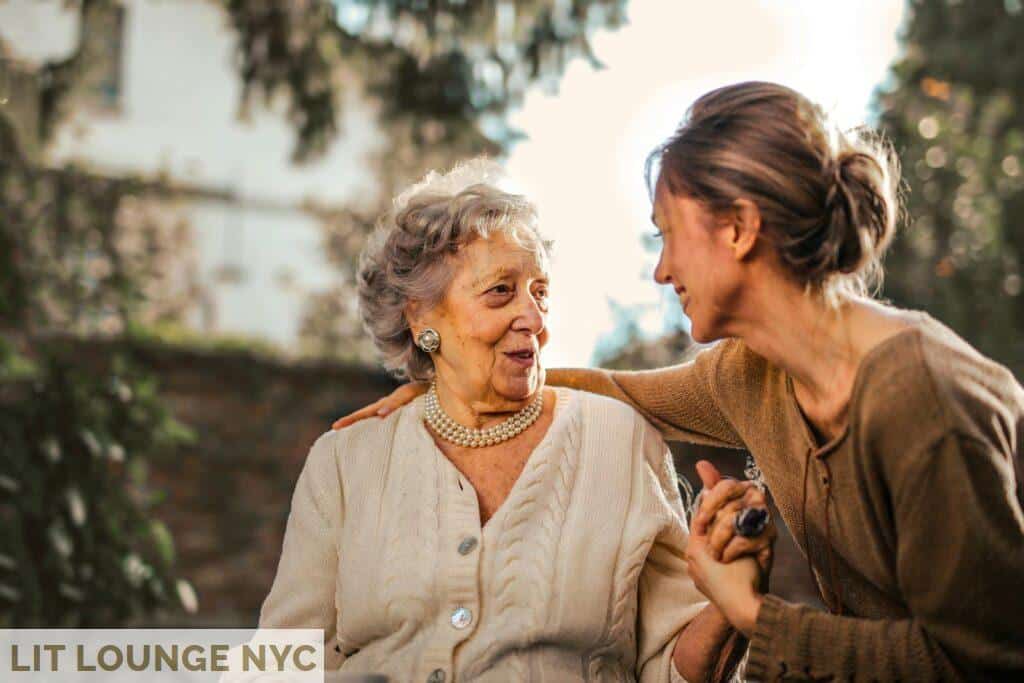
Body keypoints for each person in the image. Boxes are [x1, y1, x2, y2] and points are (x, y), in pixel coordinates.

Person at [333, 82, 1024, 681]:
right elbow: (619, 389)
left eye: (667, 234)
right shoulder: (752, 374)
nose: (662, 271)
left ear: (740, 228)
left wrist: (750, 612)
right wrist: (450, 383)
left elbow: (983, 660)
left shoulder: (920, 399)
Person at [253, 159, 775, 683]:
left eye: (540, 292)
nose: (534, 317)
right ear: (420, 317)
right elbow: (281, 663)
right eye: (501, 290)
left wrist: (730, 603)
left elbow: (670, 669)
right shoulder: (345, 461)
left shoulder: (620, 441)